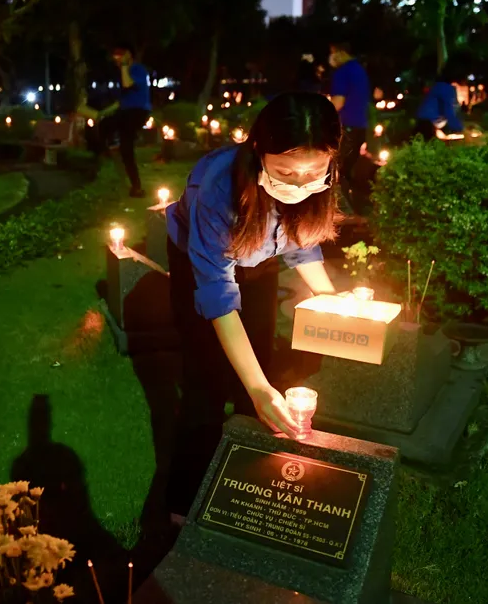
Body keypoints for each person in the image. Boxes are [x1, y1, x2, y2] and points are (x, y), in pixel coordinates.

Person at [164, 92, 342, 517]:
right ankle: (182, 506)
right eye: (285, 171)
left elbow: (302, 245)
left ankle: (248, 484)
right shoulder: (219, 188)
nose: (299, 184)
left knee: (259, 358)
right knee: (206, 377)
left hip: (258, 260)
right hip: (201, 263)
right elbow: (217, 295)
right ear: (259, 151)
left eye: (313, 171)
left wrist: (334, 302)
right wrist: (259, 387)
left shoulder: (319, 180)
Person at [98, 43, 152, 198]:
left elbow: (128, 84)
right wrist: (101, 113)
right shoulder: (124, 73)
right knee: (105, 125)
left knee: (126, 145)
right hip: (125, 112)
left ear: (128, 54)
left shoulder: (137, 70)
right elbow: (120, 102)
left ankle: (136, 186)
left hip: (138, 111)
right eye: (115, 57)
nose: (116, 60)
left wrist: (124, 66)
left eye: (120, 56)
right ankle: (108, 150)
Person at [327, 42, 370, 211]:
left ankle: (343, 212)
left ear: (341, 52)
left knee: (338, 172)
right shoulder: (359, 70)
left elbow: (337, 103)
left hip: (346, 126)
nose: (331, 57)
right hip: (360, 127)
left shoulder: (343, 72)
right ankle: (356, 207)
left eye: (333, 52)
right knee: (348, 169)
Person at [415, 73, 465, 142]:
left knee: (419, 145)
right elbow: (448, 110)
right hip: (430, 122)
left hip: (422, 119)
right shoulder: (447, 89)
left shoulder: (436, 87)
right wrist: (458, 128)